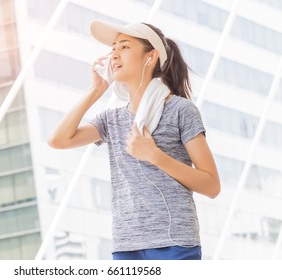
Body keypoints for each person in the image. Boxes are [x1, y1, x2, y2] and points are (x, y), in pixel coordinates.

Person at [47, 20, 220, 260]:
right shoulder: (112, 119)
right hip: (127, 246)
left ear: (151, 57)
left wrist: (154, 156)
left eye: (125, 47)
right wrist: (96, 90)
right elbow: (59, 140)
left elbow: (211, 185)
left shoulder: (181, 110)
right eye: (113, 48)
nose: (114, 54)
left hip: (175, 243)